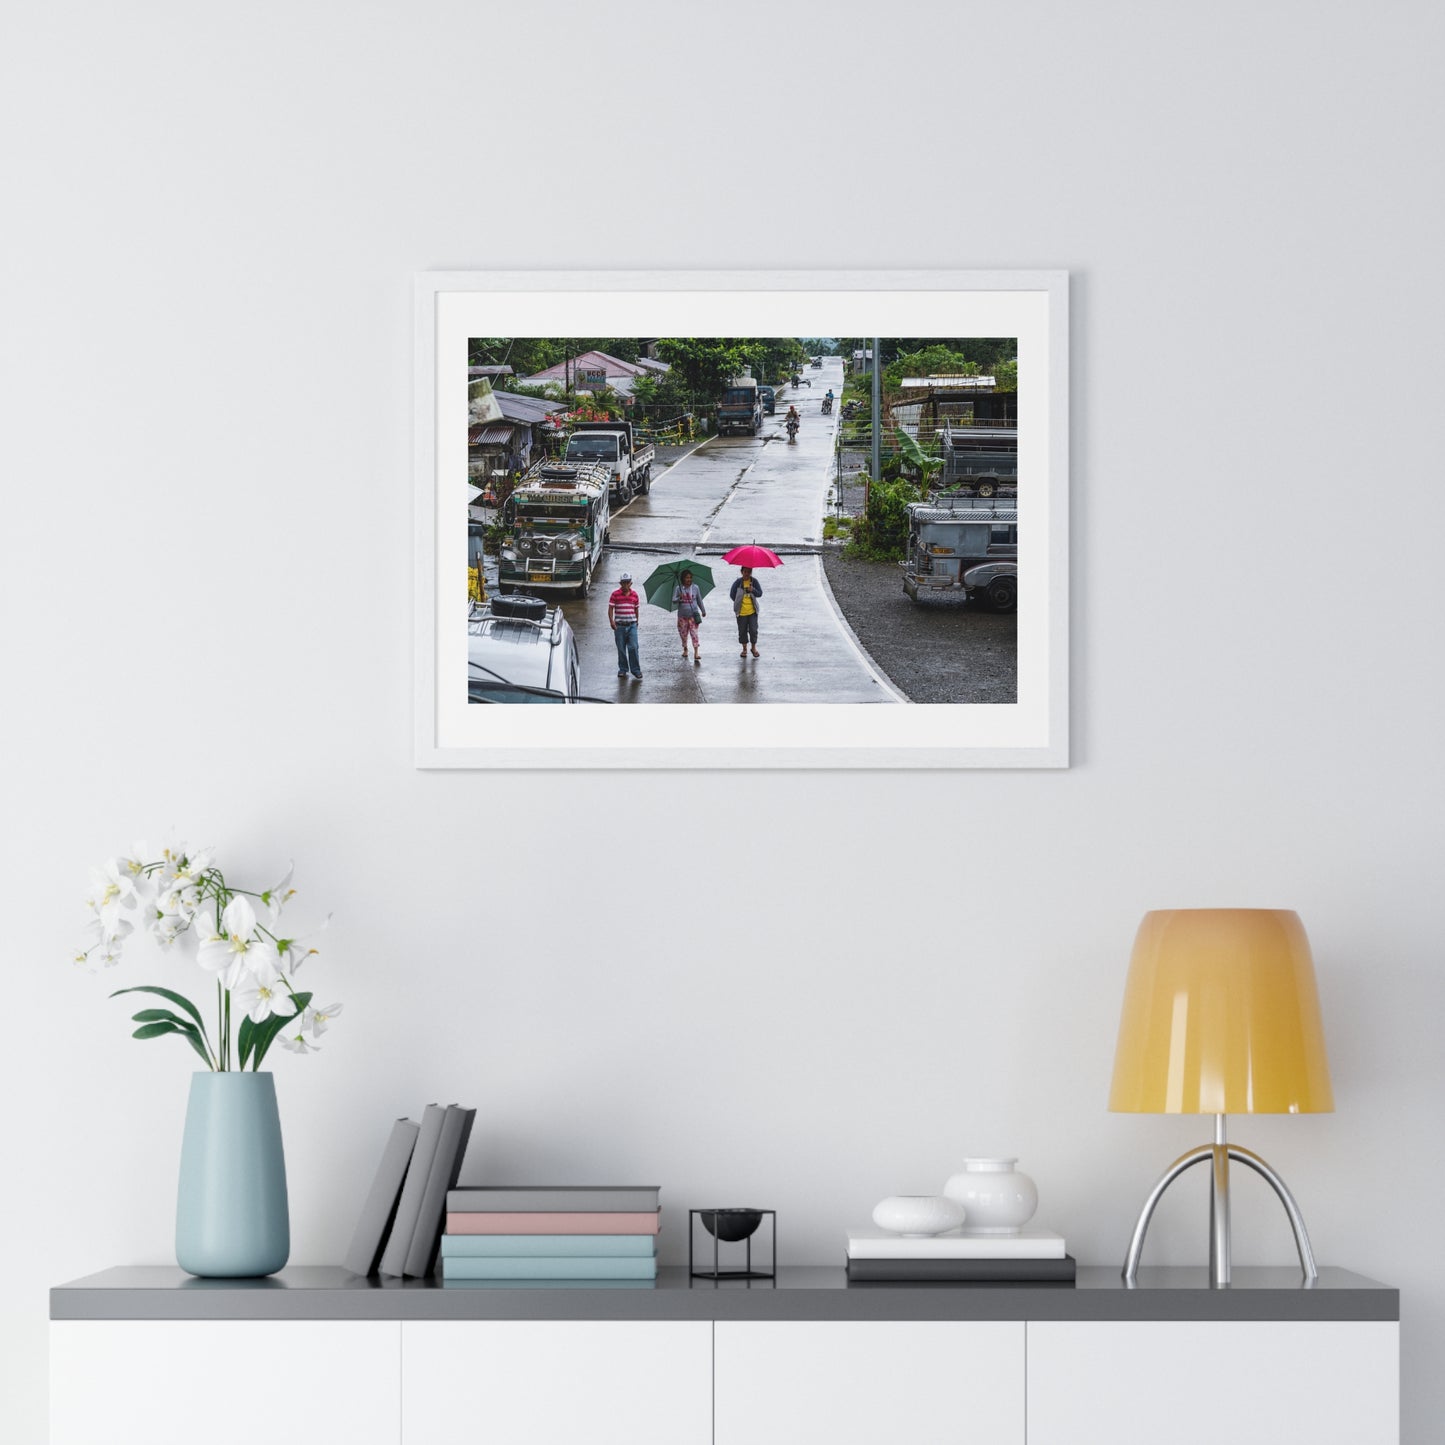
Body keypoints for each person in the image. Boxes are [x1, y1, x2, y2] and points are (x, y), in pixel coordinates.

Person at [608, 571, 643, 680]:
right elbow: (610, 609)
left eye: (627, 583)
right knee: (621, 648)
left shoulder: (635, 595)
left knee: (633, 647)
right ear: (620, 583)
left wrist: (637, 621)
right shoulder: (615, 594)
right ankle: (623, 669)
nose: (625, 585)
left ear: (630, 583)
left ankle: (636, 670)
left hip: (632, 625)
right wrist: (611, 621)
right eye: (623, 583)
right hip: (619, 626)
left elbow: (636, 609)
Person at [673, 568, 706, 665]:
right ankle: (685, 648)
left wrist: (703, 610)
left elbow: (699, 600)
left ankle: (696, 653)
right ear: (682, 579)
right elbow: (673, 600)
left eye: (690, 578)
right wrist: (679, 597)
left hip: (693, 616)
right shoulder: (678, 589)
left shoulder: (695, 588)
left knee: (694, 634)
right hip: (682, 616)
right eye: (687, 578)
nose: (689, 580)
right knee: (683, 634)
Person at [731, 566, 763, 658]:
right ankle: (744, 649)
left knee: (753, 630)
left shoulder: (754, 582)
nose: (747, 574)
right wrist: (738, 601)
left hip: (752, 612)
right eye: (745, 571)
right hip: (741, 612)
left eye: (749, 572)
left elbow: (760, 593)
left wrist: (753, 590)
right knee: (742, 631)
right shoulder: (738, 583)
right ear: (741, 572)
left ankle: (753, 648)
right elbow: (732, 595)